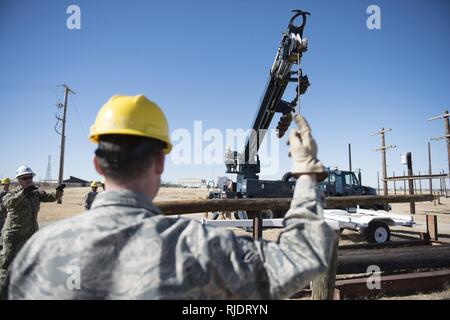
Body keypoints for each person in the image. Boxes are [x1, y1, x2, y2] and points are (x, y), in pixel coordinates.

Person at [1, 95, 335, 299]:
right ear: (160, 161)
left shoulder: (38, 253)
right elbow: (298, 260)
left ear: (96, 165)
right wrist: (306, 174)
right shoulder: (196, 247)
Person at [0, 165, 64, 289]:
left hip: (31, 235)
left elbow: (51, 197)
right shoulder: (12, 194)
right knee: (6, 266)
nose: (29, 180)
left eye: (30, 177)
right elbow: (8, 203)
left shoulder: (36, 193)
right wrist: (23, 193)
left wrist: (59, 191)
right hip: (14, 236)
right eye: (25, 178)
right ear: (19, 180)